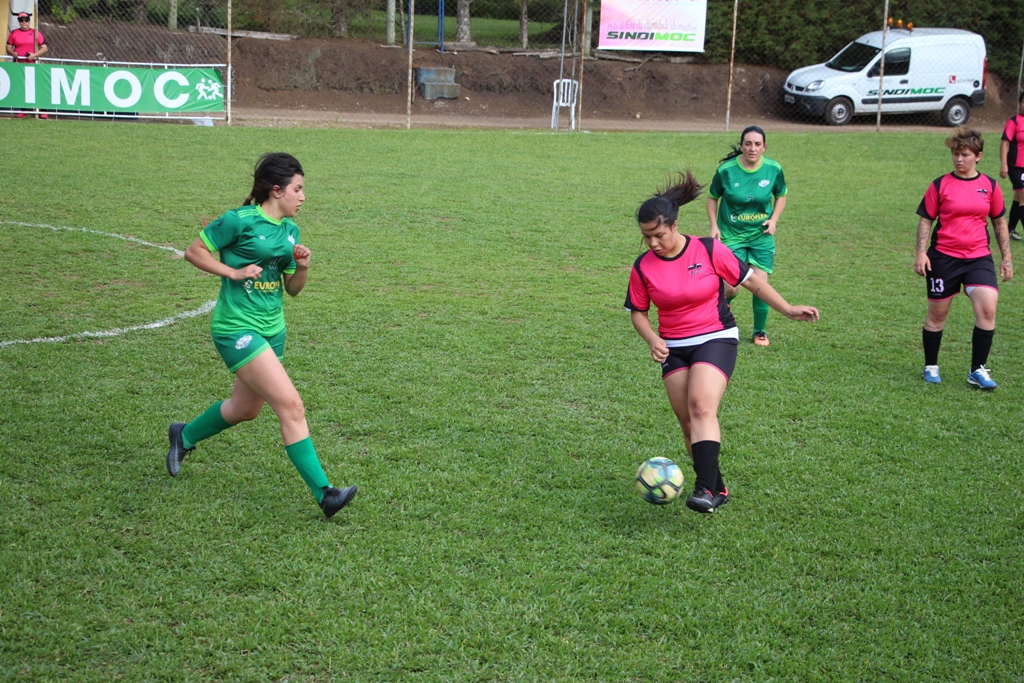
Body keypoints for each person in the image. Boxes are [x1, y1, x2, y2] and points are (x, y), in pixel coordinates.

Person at [167, 153, 358, 519]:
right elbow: (194, 252)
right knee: (291, 405)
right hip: (236, 328)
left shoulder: (291, 232)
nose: (303, 197)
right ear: (276, 189)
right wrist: (233, 273)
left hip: (274, 330)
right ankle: (325, 494)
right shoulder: (239, 221)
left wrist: (302, 267)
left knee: (245, 409)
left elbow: (293, 289)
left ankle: (184, 436)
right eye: (297, 189)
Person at [626, 171, 819, 513]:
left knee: (701, 406)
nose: (653, 243)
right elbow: (638, 312)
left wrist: (788, 309)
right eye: (646, 237)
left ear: (674, 225)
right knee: (688, 422)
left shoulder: (709, 249)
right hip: (673, 345)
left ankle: (703, 489)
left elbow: (752, 282)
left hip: (716, 335)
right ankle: (716, 487)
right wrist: (652, 338)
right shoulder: (643, 267)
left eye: (658, 235)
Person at [915, 126, 1012, 389]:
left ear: (978, 156)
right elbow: (926, 220)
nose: (959, 159)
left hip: (978, 257)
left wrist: (1006, 257)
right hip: (943, 258)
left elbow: (1000, 223)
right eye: (956, 154)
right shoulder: (940, 184)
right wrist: (921, 252)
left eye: (965, 154)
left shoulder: (990, 186)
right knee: (937, 315)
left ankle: (977, 369)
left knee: (988, 306)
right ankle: (931, 365)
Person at [706, 125, 787, 346]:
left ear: (764, 147)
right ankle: (720, 315)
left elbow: (781, 195)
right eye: (748, 143)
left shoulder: (774, 169)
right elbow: (712, 197)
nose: (752, 148)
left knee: (761, 283)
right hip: (732, 236)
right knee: (732, 286)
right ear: (742, 146)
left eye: (757, 144)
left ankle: (759, 331)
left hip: (761, 236)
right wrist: (714, 226)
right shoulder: (726, 170)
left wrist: (774, 220)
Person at [5, 12, 49, 119]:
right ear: (19, 22)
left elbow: (44, 47)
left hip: (32, 64)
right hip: (19, 64)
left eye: (26, 20)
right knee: (20, 86)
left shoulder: (35, 32)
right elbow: (8, 47)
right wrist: (13, 53)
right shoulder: (14, 33)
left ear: (29, 20)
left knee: (37, 86)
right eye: (21, 20)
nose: (24, 22)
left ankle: (43, 110)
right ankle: (23, 110)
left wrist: (34, 55)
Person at [999, 92, 1024, 242]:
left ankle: (1010, 229)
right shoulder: (1014, 122)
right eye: (1023, 102)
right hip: (1015, 166)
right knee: (1023, 197)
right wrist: (1004, 165)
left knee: (1018, 197)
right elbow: (1005, 143)